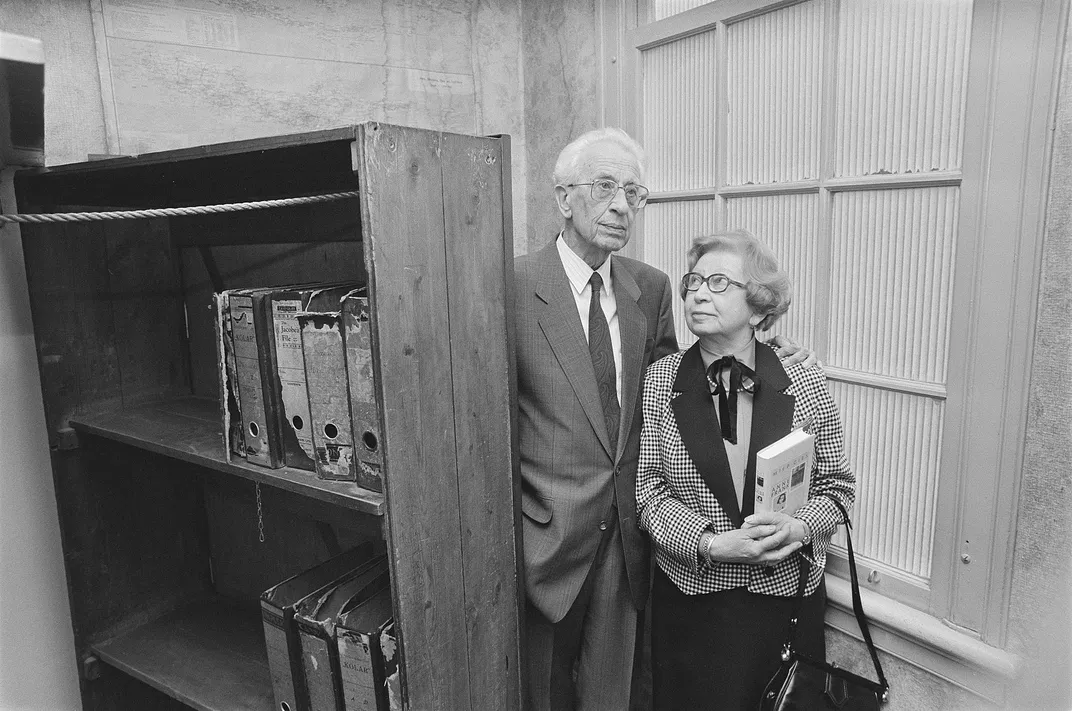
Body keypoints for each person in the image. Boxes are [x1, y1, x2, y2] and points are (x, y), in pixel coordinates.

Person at [513, 130, 813, 711]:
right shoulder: (513, 286)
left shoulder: (649, 287)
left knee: (614, 694)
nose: (622, 206)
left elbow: (677, 388)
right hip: (544, 539)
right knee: (539, 693)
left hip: (631, 543)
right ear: (563, 198)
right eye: (605, 187)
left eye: (634, 192)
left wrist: (769, 342)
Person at [635, 229, 855, 710]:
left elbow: (838, 486)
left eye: (718, 283)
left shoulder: (802, 376)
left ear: (758, 308)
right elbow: (649, 492)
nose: (696, 292)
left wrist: (799, 526)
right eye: (693, 281)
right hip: (694, 603)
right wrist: (710, 543)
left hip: (784, 604)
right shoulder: (659, 380)